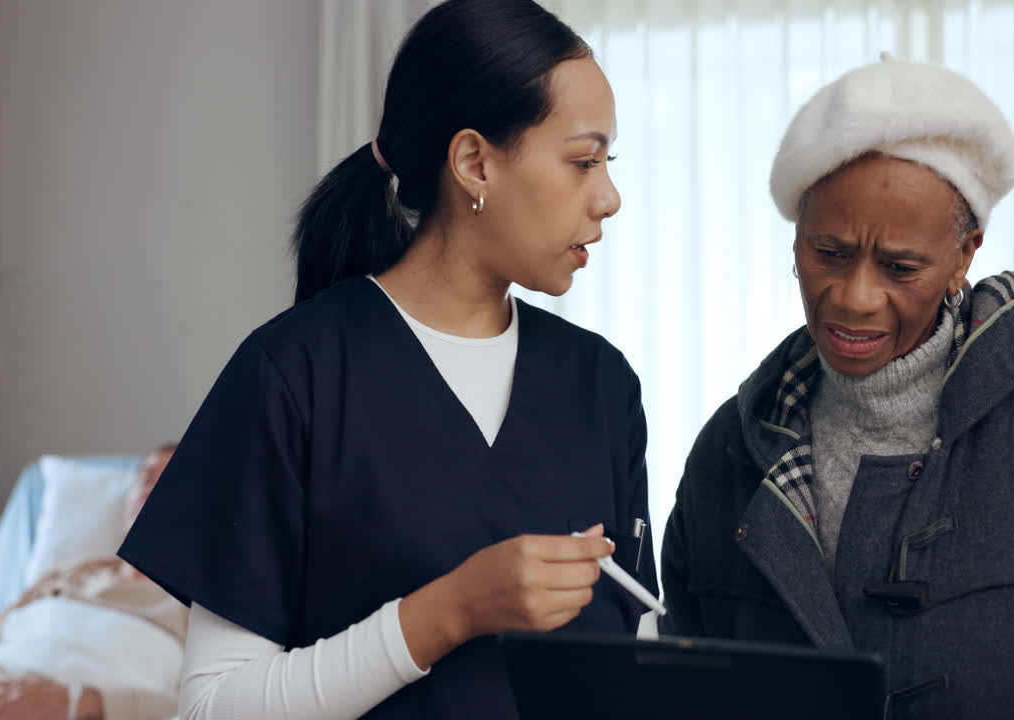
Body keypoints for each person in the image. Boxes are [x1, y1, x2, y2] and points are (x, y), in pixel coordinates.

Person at [117, 1, 658, 718]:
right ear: (473, 162)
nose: (610, 198)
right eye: (583, 161)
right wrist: (449, 611)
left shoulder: (600, 385)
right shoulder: (293, 374)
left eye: (607, 163)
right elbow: (211, 708)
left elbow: (637, 659)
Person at [660, 54, 1014, 719]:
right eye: (829, 253)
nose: (853, 298)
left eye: (900, 266)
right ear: (795, 239)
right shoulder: (730, 452)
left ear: (966, 253)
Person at [0, 445, 185, 720]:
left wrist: (77, 702)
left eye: (168, 482)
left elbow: (205, 707)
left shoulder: (193, 608)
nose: (148, 491)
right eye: (145, 479)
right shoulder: (66, 576)